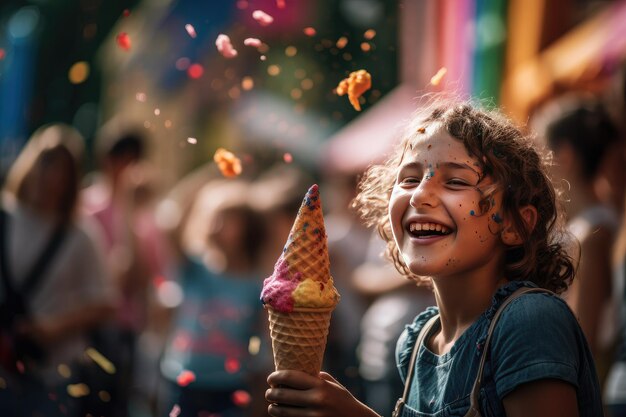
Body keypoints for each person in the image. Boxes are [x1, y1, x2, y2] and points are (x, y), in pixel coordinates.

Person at [265, 97, 604, 416]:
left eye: (455, 181)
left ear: (515, 224)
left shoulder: (529, 321)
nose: (420, 195)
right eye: (409, 179)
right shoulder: (416, 343)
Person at [0, 123, 116, 417]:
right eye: (45, 163)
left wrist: (54, 328)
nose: (49, 176)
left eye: (60, 171)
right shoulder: (5, 217)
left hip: (53, 376)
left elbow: (105, 303)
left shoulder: (81, 235)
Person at [159, 179, 271, 417]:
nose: (218, 225)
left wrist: (261, 384)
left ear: (249, 228)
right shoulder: (194, 268)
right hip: (184, 381)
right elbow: (170, 224)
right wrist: (205, 179)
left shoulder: (256, 283)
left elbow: (262, 338)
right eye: (215, 216)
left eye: (229, 219)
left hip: (229, 387)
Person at [535, 96, 621, 385]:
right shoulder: (588, 226)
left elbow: (585, 336)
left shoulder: (592, 233)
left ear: (565, 156)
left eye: (540, 152)